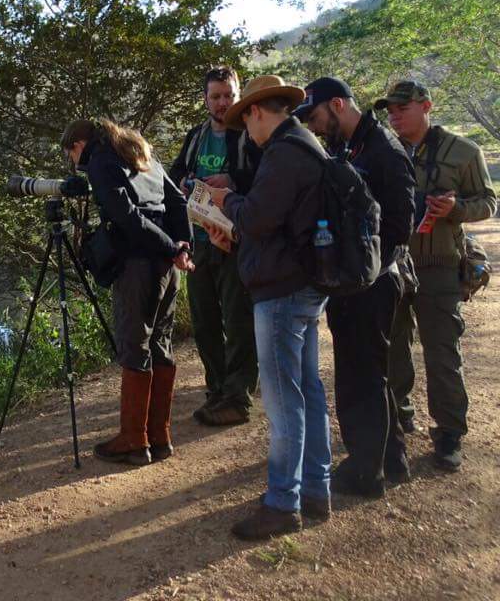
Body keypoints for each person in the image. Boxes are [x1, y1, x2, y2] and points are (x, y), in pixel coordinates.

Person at [205, 75, 331, 540]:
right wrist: (234, 230)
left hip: (281, 291)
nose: (247, 132)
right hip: (302, 284)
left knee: (283, 403)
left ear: (258, 111)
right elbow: (277, 222)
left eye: (246, 120)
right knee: (308, 392)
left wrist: (225, 201)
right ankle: (316, 489)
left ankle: (283, 503)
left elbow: (258, 215)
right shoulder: (306, 145)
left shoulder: (284, 152)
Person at [294, 77, 416, 496]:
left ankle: (366, 473)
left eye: (315, 116)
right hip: (355, 283)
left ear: (339, 104)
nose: (314, 125)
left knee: (362, 376)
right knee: (369, 373)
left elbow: (402, 224)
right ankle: (392, 458)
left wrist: (364, 268)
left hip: (374, 284)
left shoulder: (383, 150)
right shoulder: (350, 148)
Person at [60, 119, 194, 467]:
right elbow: (177, 200)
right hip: (166, 266)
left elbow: (127, 217)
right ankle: (159, 437)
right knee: (160, 344)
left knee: (134, 344)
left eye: (71, 154)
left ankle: (134, 441)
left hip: (139, 266)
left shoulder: (102, 161)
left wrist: (171, 248)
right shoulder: (140, 153)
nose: (75, 163)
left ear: (79, 145)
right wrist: (181, 246)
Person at [379, 81, 498, 471]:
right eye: (390, 110)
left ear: (426, 105)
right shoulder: (385, 150)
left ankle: (449, 433)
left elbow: (488, 203)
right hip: (395, 263)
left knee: (442, 351)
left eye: (402, 108)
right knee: (393, 345)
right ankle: (400, 414)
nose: (394, 115)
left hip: (439, 265)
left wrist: (455, 208)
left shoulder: (463, 151)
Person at [169, 66, 261, 426]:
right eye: (216, 96)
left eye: (229, 95)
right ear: (205, 99)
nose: (223, 102)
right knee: (205, 322)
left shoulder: (249, 135)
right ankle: (218, 389)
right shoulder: (196, 136)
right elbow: (175, 173)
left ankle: (238, 398)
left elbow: (267, 177)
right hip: (201, 239)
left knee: (239, 321)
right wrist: (183, 183)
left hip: (236, 241)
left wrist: (232, 179)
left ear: (238, 96)